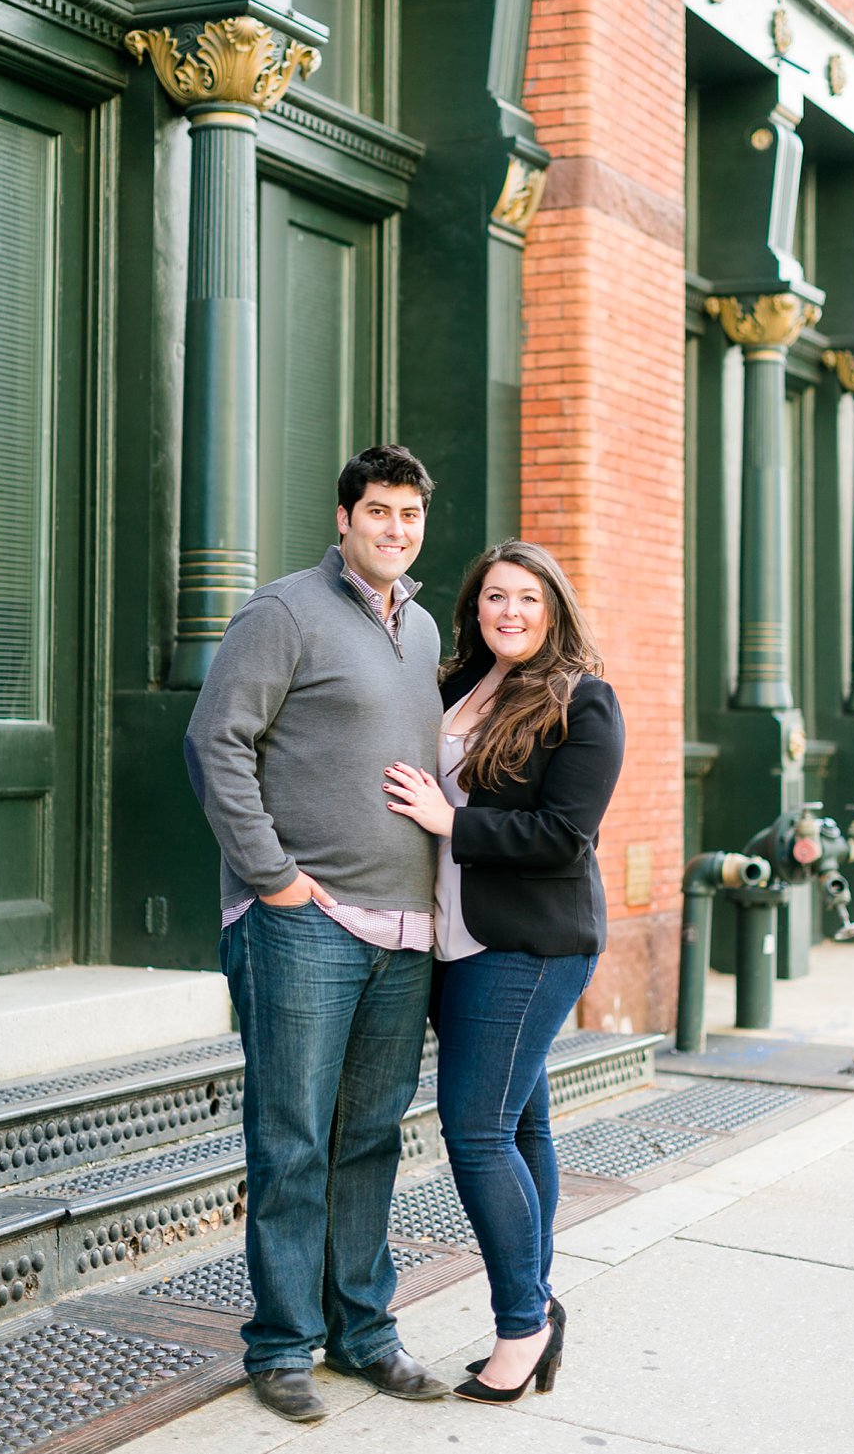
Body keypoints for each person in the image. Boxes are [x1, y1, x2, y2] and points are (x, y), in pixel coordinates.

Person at [184, 445, 452, 1422]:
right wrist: (275, 879)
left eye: (409, 515)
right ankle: (282, 1343)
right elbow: (217, 740)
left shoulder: (420, 630)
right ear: (343, 519)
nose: (394, 528)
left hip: (402, 932)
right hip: (305, 925)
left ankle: (365, 1331)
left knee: (370, 1136)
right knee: (292, 1136)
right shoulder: (283, 610)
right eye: (378, 511)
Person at [382, 538, 625, 1403]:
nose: (509, 612)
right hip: (452, 937)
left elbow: (563, 835)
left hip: (527, 942)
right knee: (520, 1127)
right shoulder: (454, 683)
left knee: (475, 1128)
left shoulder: (584, 704)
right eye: (494, 597)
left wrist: (452, 821)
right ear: (474, 608)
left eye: (527, 597)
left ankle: (523, 1322)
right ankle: (537, 1300)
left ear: (553, 607)